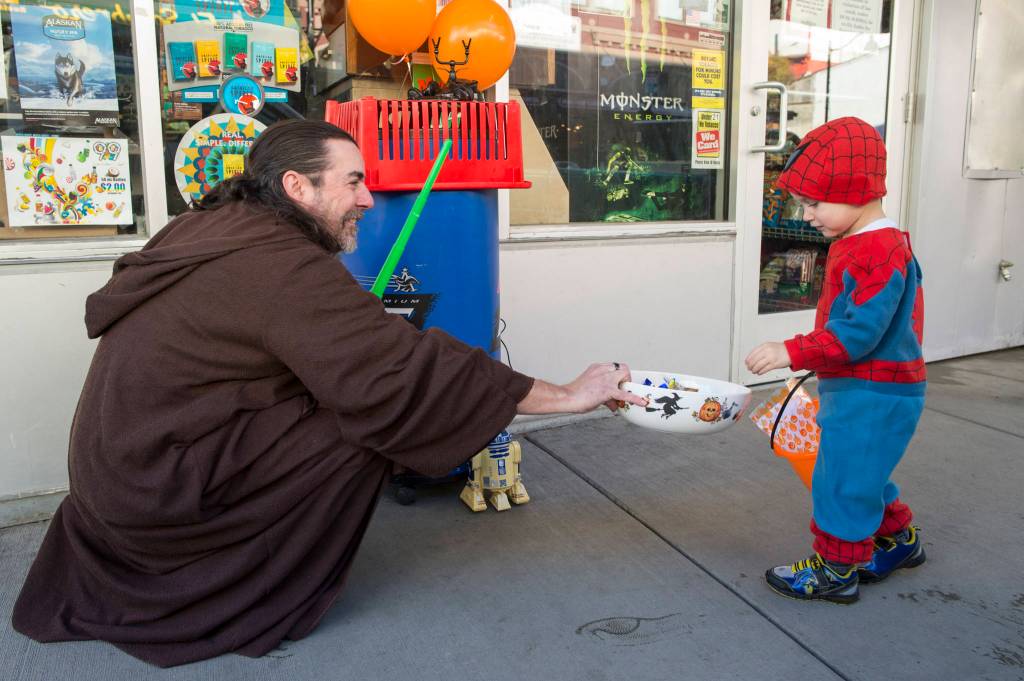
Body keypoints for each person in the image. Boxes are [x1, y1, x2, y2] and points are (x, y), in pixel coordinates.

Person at [11, 120, 647, 667]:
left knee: (355, 390)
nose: (368, 199)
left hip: (117, 474)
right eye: (353, 181)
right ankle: (256, 592)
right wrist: (566, 395)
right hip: (161, 493)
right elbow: (409, 370)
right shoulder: (282, 267)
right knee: (371, 416)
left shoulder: (206, 229)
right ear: (297, 187)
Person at [745, 117, 927, 604]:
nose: (805, 216)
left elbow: (859, 332)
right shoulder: (863, 243)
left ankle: (836, 569)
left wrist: (793, 350)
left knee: (840, 480)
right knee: (863, 471)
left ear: (854, 189)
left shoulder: (878, 250)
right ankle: (897, 541)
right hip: (867, 386)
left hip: (874, 389)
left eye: (813, 203)